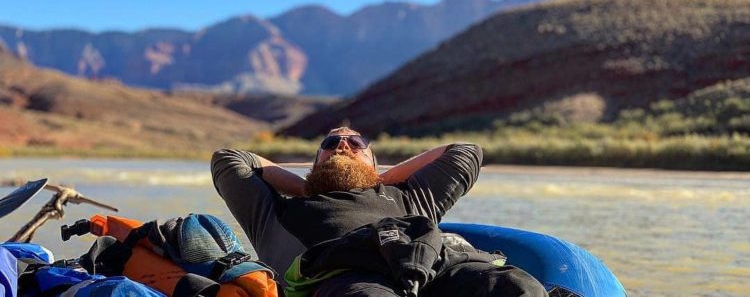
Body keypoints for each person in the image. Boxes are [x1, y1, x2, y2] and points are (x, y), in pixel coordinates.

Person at [211, 127, 547, 296]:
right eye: (330, 145)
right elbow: (229, 159)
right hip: (344, 280)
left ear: (374, 163)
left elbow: (466, 152)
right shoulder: (275, 212)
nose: (342, 145)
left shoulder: (410, 198)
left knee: (515, 287)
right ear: (314, 164)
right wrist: (308, 186)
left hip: (432, 272)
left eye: (356, 144)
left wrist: (379, 179)